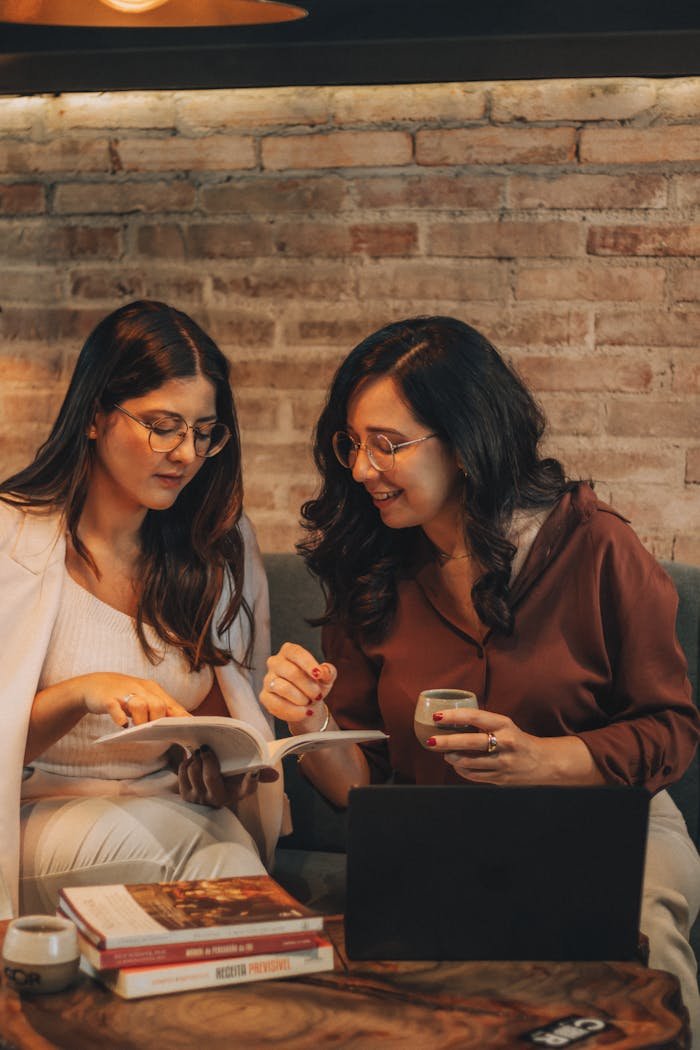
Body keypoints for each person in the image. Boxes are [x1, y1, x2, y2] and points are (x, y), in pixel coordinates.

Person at [260, 316, 700, 1042]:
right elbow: (357, 789)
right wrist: (312, 726)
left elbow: (672, 731)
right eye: (352, 442)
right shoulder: (371, 563)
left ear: (465, 444)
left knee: (644, 934)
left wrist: (542, 760)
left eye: (387, 444)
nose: (362, 469)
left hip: (607, 823)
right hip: (439, 831)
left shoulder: (597, 548)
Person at [0, 299, 284, 919]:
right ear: (97, 416)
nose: (185, 453)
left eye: (203, 431)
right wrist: (83, 692)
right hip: (31, 814)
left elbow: (231, 706)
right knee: (210, 865)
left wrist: (218, 766)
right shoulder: (11, 537)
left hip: (175, 808)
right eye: (162, 425)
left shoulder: (219, 543)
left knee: (223, 849)